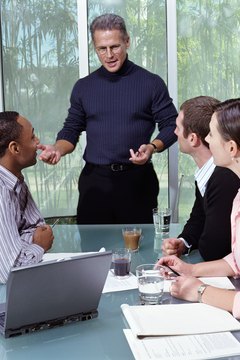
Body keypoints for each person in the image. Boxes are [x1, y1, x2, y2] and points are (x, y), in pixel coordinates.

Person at [38, 13, 178, 224]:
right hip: (94, 183)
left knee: (141, 253)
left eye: (115, 47)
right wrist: (57, 148)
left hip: (138, 181)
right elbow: (71, 130)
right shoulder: (84, 87)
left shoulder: (151, 83)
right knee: (93, 252)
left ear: (127, 41)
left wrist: (151, 147)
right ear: (95, 47)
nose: (109, 55)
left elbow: (171, 125)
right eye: (101, 49)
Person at [158, 98, 240, 318]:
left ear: (231, 147)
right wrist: (190, 268)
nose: (208, 141)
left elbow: (214, 246)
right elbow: (236, 258)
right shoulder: (236, 193)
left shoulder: (225, 180)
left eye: (211, 135)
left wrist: (201, 291)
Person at [162, 96, 240, 260]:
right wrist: (183, 242)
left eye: (177, 127)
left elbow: (214, 248)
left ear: (192, 138)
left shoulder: (224, 178)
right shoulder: (207, 172)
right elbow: (199, 218)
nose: (174, 132)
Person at [0, 111, 54, 283]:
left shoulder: (15, 180)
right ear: (15, 148)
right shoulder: (1, 191)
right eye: (32, 137)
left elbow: (38, 228)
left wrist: (24, 243)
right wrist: (39, 246)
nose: (38, 142)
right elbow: (11, 271)